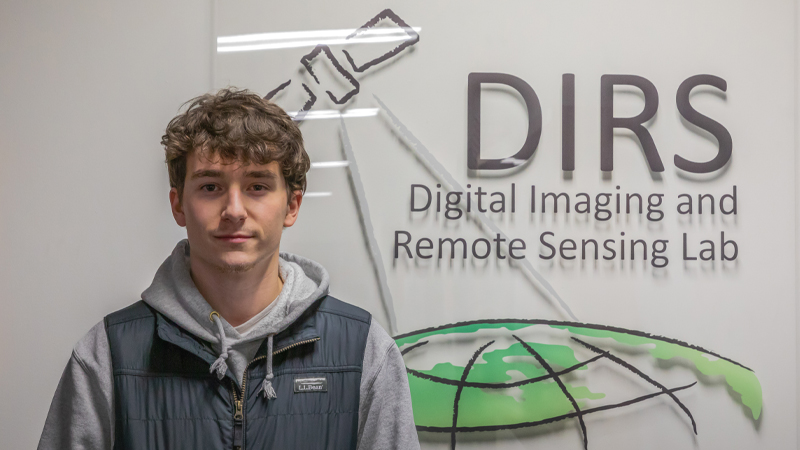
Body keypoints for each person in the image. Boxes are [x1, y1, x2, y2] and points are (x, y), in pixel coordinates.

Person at [37, 88, 420, 450]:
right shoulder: (107, 354)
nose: (234, 211)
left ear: (292, 206)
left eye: (257, 186)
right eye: (210, 187)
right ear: (178, 205)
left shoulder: (364, 350)